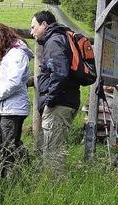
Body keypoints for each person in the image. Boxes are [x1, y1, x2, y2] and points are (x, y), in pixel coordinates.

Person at [30, 10, 80, 174]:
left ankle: (55, 189)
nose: (32, 32)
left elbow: (60, 73)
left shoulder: (54, 41)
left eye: (33, 27)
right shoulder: (60, 38)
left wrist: (49, 101)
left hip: (59, 103)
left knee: (53, 152)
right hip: (66, 100)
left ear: (44, 24)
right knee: (55, 148)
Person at [0, 23, 33, 177]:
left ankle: (15, 176)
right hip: (8, 107)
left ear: (0, 38)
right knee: (4, 143)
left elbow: (13, 82)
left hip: (12, 108)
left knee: (8, 146)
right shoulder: (10, 54)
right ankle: (13, 173)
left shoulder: (16, 55)